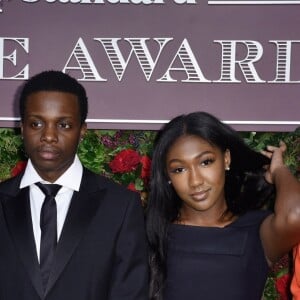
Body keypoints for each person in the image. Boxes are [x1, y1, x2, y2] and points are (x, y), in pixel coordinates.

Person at [0, 70, 149, 300]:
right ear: (22, 127)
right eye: (36, 123)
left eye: (64, 125)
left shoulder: (121, 207)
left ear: (82, 131)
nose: (48, 135)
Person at [145, 111, 300, 300]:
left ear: (226, 159)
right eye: (179, 169)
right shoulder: (152, 234)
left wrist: (279, 171)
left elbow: (296, 214)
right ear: (167, 176)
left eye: (205, 162)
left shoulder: (256, 230)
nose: (195, 181)